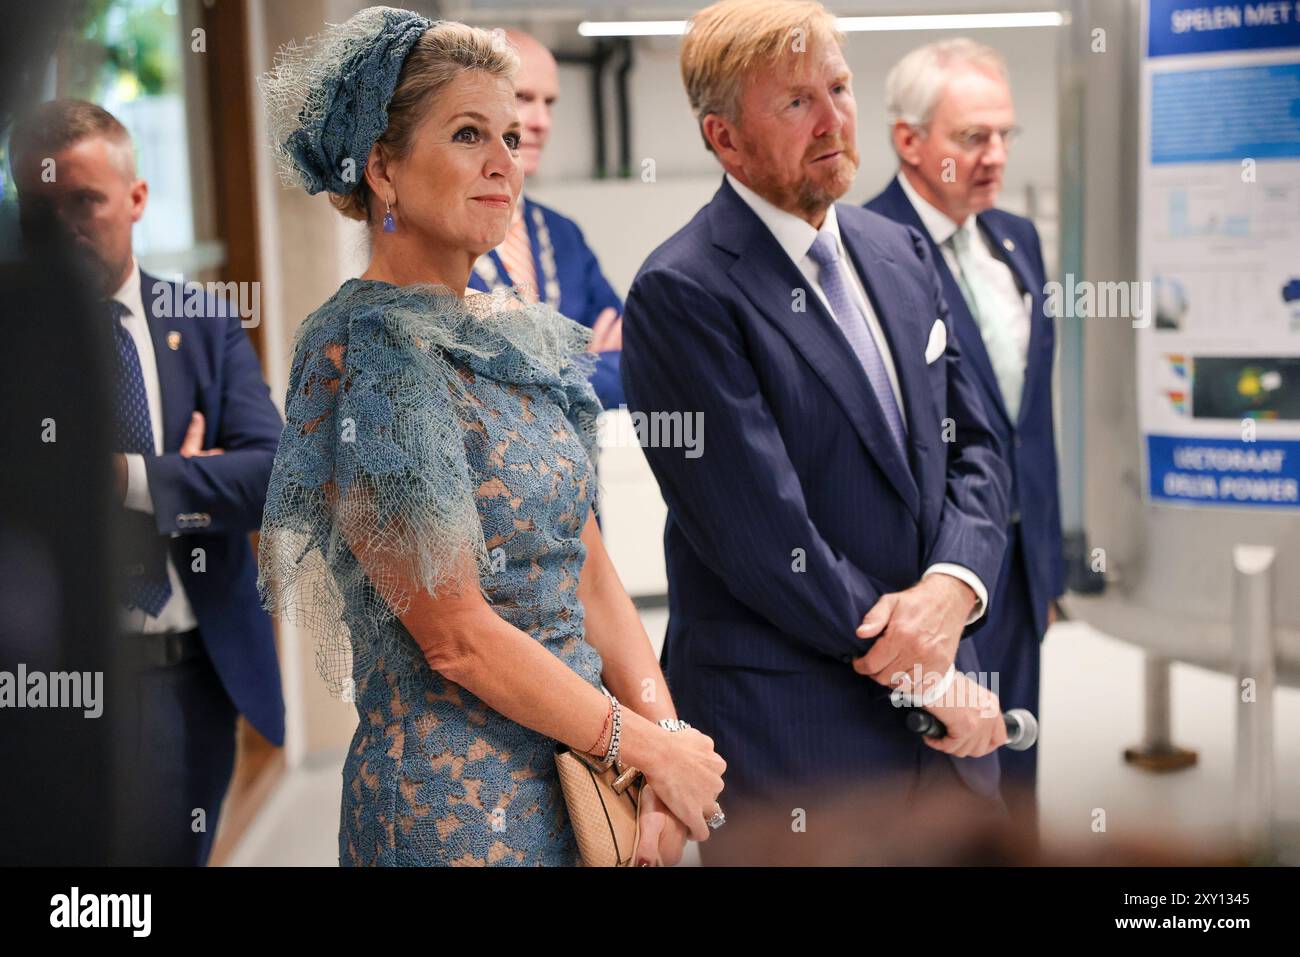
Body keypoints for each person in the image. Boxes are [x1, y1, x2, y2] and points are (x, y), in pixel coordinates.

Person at [257, 8, 724, 867]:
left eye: (511, 136)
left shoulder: (518, 334)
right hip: (458, 809)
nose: (506, 164)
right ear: (383, 168)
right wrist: (645, 746)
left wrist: (665, 743)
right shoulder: (370, 352)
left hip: (586, 774)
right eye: (469, 134)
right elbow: (456, 634)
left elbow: (590, 571)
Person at [620, 0, 1012, 858]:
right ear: (723, 138)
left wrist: (954, 586)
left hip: (940, 721)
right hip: (791, 738)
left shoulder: (900, 253)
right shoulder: (682, 294)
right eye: (796, 102)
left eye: (838, 87)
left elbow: (978, 444)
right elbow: (765, 539)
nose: (835, 119)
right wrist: (922, 671)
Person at [9, 99, 285, 865]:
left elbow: (271, 476)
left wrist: (129, 477)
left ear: (135, 199)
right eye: (39, 207)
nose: (62, 226)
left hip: (183, 681)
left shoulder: (202, 321)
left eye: (84, 201)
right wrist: (191, 477)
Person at [865, 39, 1063, 829]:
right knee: (948, 781)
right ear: (909, 140)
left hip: (1021, 562)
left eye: (1005, 135)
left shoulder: (1016, 238)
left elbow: (1028, 421)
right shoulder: (865, 248)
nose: (996, 157)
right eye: (972, 138)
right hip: (933, 569)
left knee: (1018, 764)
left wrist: (1044, 558)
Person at [467, 29, 625, 409]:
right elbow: (479, 389)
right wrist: (588, 362)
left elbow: (633, 367)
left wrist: (539, 372)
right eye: (523, 98)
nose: (541, 121)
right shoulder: (441, 236)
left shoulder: (563, 233)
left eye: (549, 102)